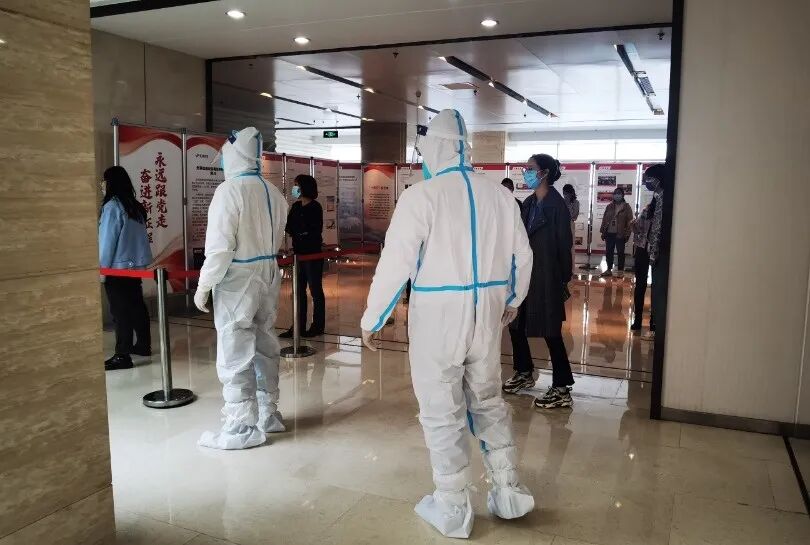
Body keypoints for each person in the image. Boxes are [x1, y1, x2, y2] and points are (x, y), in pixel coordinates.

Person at [360, 109, 534, 538]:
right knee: (488, 399)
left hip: (438, 315)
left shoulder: (421, 196)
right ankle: (508, 490)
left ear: (435, 149)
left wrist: (374, 316)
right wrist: (512, 298)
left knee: (441, 408)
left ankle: (454, 505)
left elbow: (396, 261)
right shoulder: (500, 196)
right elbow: (523, 255)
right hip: (486, 313)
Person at [194, 127, 288, 450]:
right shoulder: (273, 193)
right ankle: (268, 413)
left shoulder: (229, 192)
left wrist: (204, 285)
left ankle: (240, 427)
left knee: (235, 349)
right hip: (268, 273)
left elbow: (220, 249)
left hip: (238, 278)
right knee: (265, 343)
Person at [502, 154, 576, 410]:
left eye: (530, 168)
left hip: (547, 278)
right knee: (515, 324)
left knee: (550, 332)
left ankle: (561, 388)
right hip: (525, 275)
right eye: (526, 168)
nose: (526, 172)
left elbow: (564, 248)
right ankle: (523, 371)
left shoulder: (556, 206)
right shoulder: (529, 203)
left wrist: (562, 281)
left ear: (544, 173)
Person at [99, 166, 153, 371]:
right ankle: (143, 345)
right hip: (134, 268)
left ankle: (122, 354)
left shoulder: (112, 206)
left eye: (104, 180)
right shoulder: (134, 206)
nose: (102, 185)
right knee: (136, 306)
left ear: (111, 183)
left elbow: (107, 242)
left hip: (116, 269)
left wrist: (102, 269)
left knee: (119, 312)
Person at [280, 174, 325, 338]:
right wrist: (299, 232)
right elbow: (289, 227)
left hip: (312, 255)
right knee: (298, 292)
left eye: (296, 185)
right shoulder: (296, 206)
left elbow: (313, 231)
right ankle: (298, 326)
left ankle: (317, 326)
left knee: (315, 291)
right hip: (298, 255)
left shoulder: (315, 207)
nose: (294, 188)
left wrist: (300, 231)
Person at [637, 164, 667, 341]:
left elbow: (657, 230)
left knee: (658, 291)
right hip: (648, 250)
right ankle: (650, 324)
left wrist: (654, 254)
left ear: (658, 179)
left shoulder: (664, 199)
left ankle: (655, 327)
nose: (647, 182)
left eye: (648, 178)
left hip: (657, 253)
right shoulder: (657, 199)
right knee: (651, 289)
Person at [599, 187, 633, 278]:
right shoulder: (609, 206)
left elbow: (630, 222)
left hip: (620, 234)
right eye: (615, 193)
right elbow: (604, 219)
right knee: (609, 252)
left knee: (620, 253)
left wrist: (627, 234)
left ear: (622, 195)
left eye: (619, 193)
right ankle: (608, 269)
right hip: (609, 233)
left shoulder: (626, 207)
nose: (617, 195)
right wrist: (603, 231)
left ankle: (620, 271)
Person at [562, 183, 580, 267]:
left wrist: (568, 204)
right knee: (562, 245)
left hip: (570, 224)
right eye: (564, 193)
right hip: (561, 224)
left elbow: (574, 216)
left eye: (566, 193)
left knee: (571, 246)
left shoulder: (576, 202)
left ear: (571, 193)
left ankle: (571, 268)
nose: (565, 195)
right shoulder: (561, 201)